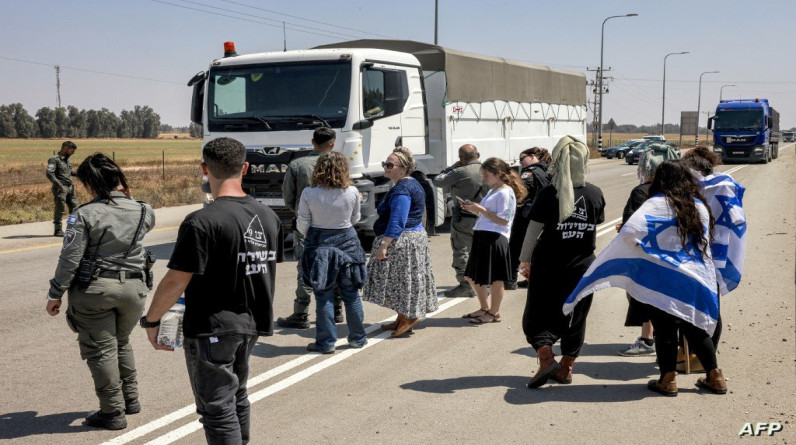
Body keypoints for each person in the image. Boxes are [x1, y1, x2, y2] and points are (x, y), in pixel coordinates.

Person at [142, 137, 283, 443]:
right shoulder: (268, 217)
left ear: (204, 169)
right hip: (251, 324)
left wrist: (151, 320)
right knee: (237, 397)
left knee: (217, 408)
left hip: (213, 328)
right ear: (244, 167)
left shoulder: (201, 222)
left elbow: (176, 280)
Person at [45, 153, 155, 430]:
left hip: (96, 292)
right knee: (122, 342)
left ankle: (112, 412)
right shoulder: (144, 210)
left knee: (100, 350)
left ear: (91, 185)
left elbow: (70, 259)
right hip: (135, 290)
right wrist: (127, 196)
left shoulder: (84, 214)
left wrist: (56, 293)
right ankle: (130, 400)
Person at [518, 136, 605, 388]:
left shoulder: (549, 193)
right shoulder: (595, 193)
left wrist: (525, 261)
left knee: (537, 315)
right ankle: (566, 368)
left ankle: (546, 359)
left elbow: (533, 232)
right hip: (583, 267)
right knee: (576, 317)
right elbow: (593, 228)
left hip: (548, 266)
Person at [639, 161, 726, 396]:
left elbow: (633, 234)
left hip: (665, 277)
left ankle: (668, 380)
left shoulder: (655, 205)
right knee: (695, 327)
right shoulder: (699, 206)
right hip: (695, 277)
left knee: (665, 329)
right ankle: (715, 376)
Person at [296, 152, 368, 354]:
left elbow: (302, 224)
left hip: (319, 246)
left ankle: (326, 343)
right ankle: (358, 338)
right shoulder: (353, 191)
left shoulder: (309, 193)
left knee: (323, 296)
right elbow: (355, 218)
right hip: (348, 244)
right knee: (351, 295)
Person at [362, 147, 438, 337]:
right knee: (402, 280)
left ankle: (408, 317)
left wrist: (384, 245)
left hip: (403, 241)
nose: (385, 168)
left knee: (400, 280)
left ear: (404, 169)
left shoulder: (402, 190)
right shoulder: (410, 183)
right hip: (412, 238)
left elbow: (397, 221)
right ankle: (402, 316)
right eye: (384, 164)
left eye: (390, 165)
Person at [277, 127, 343, 329]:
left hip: (306, 225)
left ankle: (301, 313)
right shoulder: (340, 164)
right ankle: (337, 310)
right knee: (334, 266)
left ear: (313, 141)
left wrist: (301, 210)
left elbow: (288, 197)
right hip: (334, 225)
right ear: (332, 143)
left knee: (305, 269)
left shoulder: (297, 165)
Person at [617, 143, 679, 357]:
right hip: (674, 256)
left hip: (646, 256)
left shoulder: (642, 192)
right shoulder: (680, 192)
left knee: (643, 297)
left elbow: (630, 227)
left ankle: (647, 339)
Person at [459, 158, 526, 324]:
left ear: (497, 174)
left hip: (495, 237)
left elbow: (504, 220)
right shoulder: (494, 190)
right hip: (483, 235)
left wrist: (480, 209)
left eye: (486, 175)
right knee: (471, 276)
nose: (484, 179)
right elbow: (488, 215)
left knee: (496, 279)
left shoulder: (505, 192)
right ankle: (484, 308)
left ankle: (494, 312)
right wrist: (474, 209)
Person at [432, 144, 486, 298]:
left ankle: (466, 285)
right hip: (486, 217)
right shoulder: (488, 170)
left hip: (465, 218)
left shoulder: (459, 172)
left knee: (462, 250)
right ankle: (484, 283)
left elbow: (437, 181)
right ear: (478, 154)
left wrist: (450, 168)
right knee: (482, 251)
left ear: (461, 158)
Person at [508, 147, 551, 289]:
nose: (520, 162)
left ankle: (511, 279)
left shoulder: (529, 173)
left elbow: (521, 191)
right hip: (544, 216)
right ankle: (531, 278)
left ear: (532, 156)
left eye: (522, 158)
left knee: (516, 246)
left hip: (526, 215)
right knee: (534, 248)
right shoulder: (547, 170)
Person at [47, 140, 80, 236]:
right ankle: (58, 230)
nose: (73, 153)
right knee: (60, 208)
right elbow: (50, 174)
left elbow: (69, 172)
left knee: (75, 208)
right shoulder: (54, 160)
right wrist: (59, 185)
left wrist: (79, 173)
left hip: (70, 187)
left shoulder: (67, 160)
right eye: (71, 151)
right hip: (60, 188)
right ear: (65, 148)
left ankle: (72, 227)